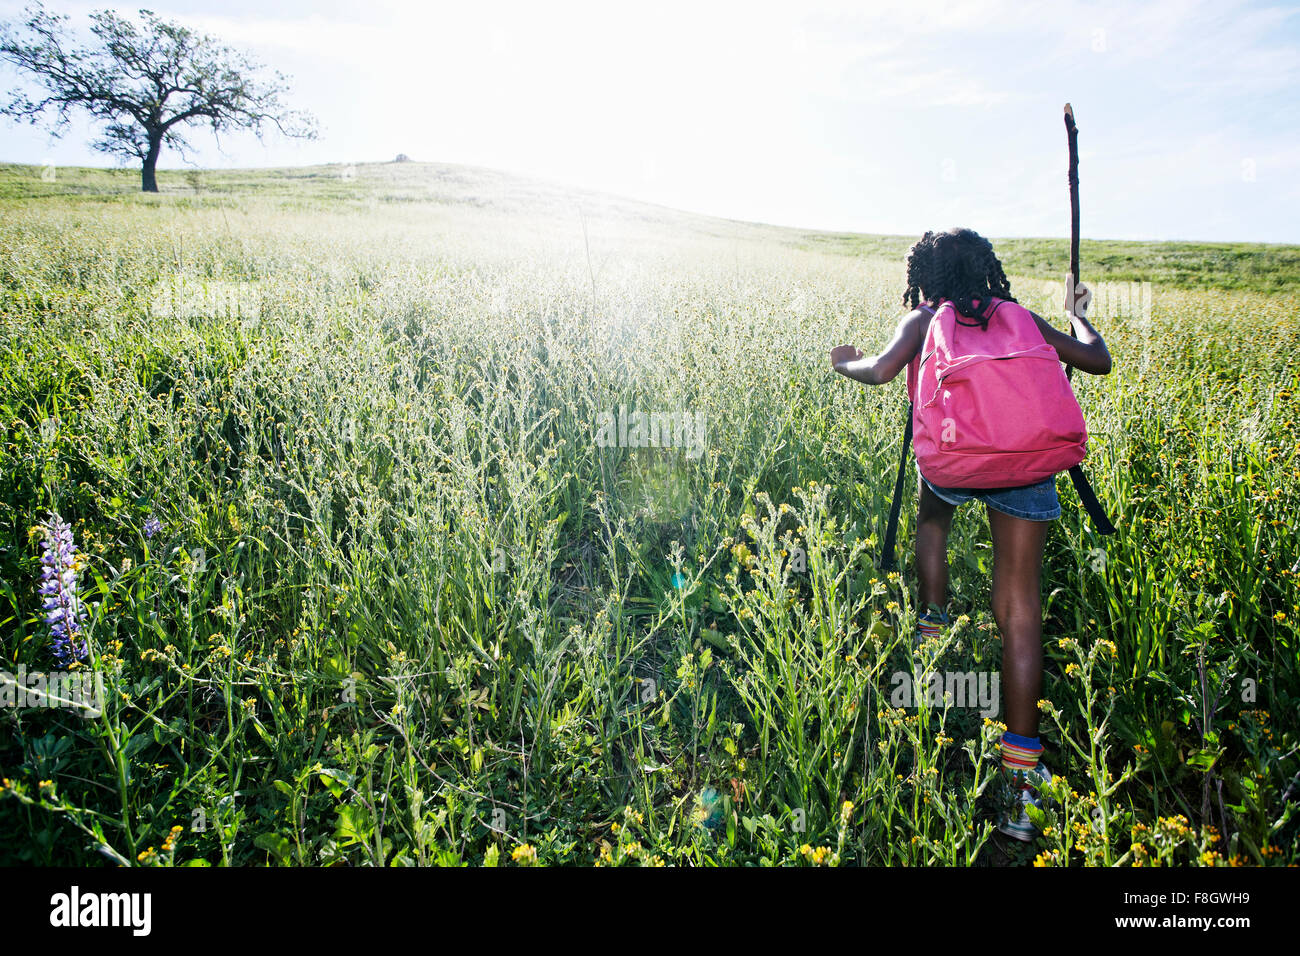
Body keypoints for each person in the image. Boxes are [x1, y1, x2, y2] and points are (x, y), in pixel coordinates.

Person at [829, 227, 1112, 841]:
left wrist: (841, 359)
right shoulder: (1021, 317)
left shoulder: (923, 319)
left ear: (924, 276)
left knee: (932, 520)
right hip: (1027, 465)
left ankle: (931, 634)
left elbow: (878, 372)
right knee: (1019, 607)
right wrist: (1079, 316)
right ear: (988, 270)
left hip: (953, 462)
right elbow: (1097, 361)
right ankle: (1020, 790)